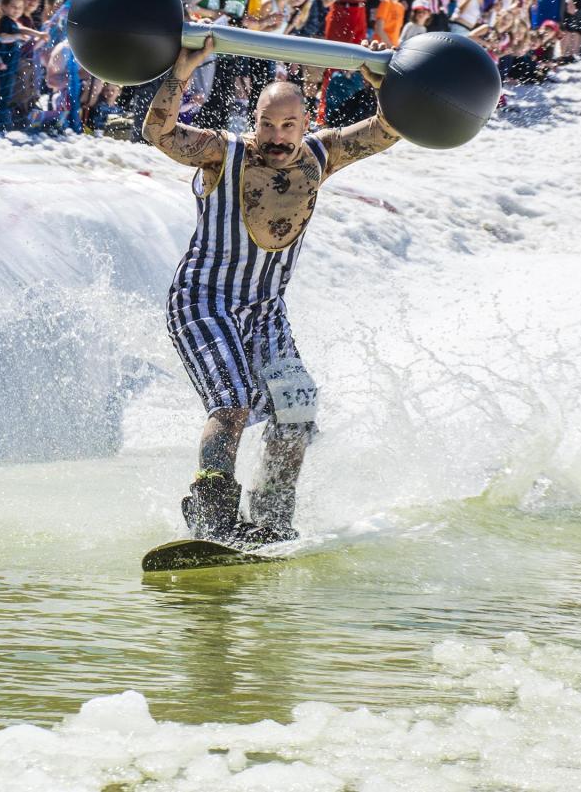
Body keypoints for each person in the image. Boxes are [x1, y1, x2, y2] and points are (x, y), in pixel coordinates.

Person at [143, 35, 404, 545]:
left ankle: (272, 513)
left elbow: (388, 130)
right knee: (233, 401)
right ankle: (214, 510)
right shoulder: (224, 152)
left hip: (264, 310)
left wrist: (382, 88)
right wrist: (182, 67)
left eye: (288, 125)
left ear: (305, 124)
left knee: (298, 405)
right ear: (253, 121)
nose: (277, 136)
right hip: (203, 300)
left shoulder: (320, 155)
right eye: (267, 124)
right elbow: (159, 132)